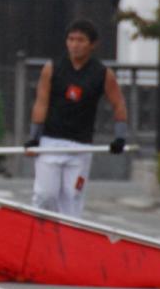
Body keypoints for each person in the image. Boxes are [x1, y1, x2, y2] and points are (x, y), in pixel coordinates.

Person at [25, 18, 128, 218]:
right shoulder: (52, 68)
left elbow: (119, 104)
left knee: (72, 197)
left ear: (92, 44)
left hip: (81, 147)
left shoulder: (103, 74)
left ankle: (67, 243)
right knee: (45, 195)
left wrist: (120, 137)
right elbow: (41, 102)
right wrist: (34, 137)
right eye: (71, 39)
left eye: (80, 40)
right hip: (50, 142)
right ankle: (40, 236)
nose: (75, 45)